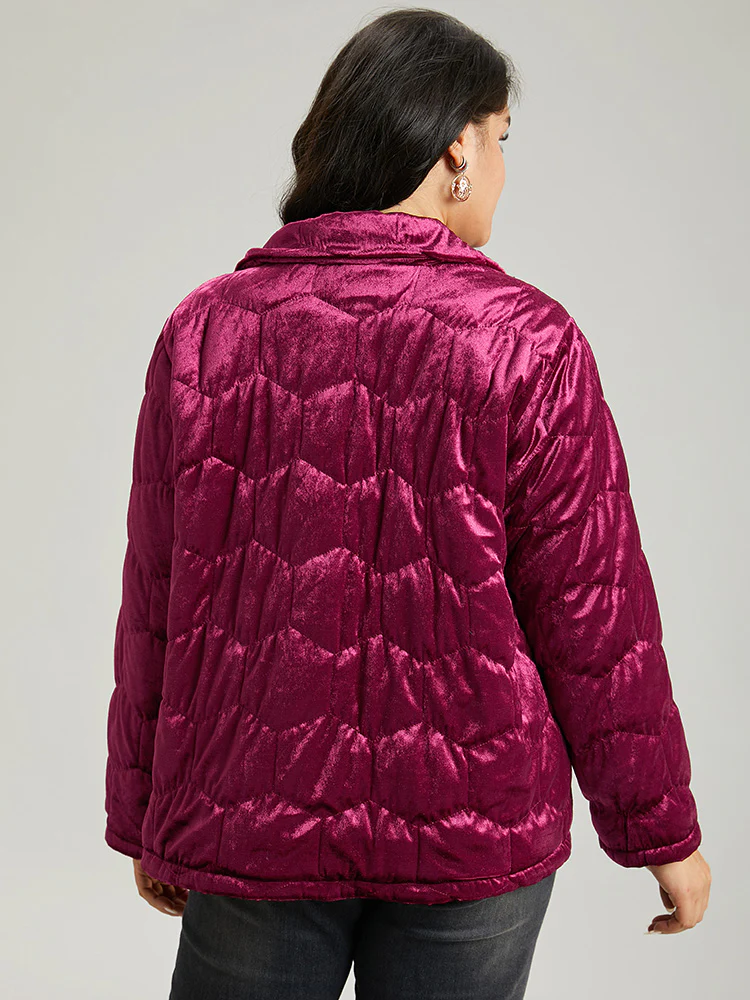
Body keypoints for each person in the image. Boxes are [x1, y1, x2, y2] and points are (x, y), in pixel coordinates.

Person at [103, 8, 711, 999]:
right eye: (501, 139)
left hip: (251, 819)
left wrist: (147, 812)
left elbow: (161, 594)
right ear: (457, 148)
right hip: (473, 825)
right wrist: (661, 831)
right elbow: (592, 614)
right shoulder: (529, 341)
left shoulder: (207, 331)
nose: (503, 169)